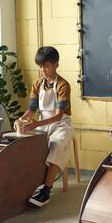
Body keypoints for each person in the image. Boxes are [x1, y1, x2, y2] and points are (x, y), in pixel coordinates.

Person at [15, 46, 74, 208]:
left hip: (62, 123)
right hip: (42, 122)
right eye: (40, 67)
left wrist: (36, 123)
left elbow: (59, 115)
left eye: (46, 66)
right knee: (30, 144)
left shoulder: (63, 85)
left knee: (56, 144)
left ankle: (46, 190)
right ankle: (32, 184)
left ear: (56, 65)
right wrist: (22, 119)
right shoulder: (37, 84)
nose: (43, 70)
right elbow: (31, 110)